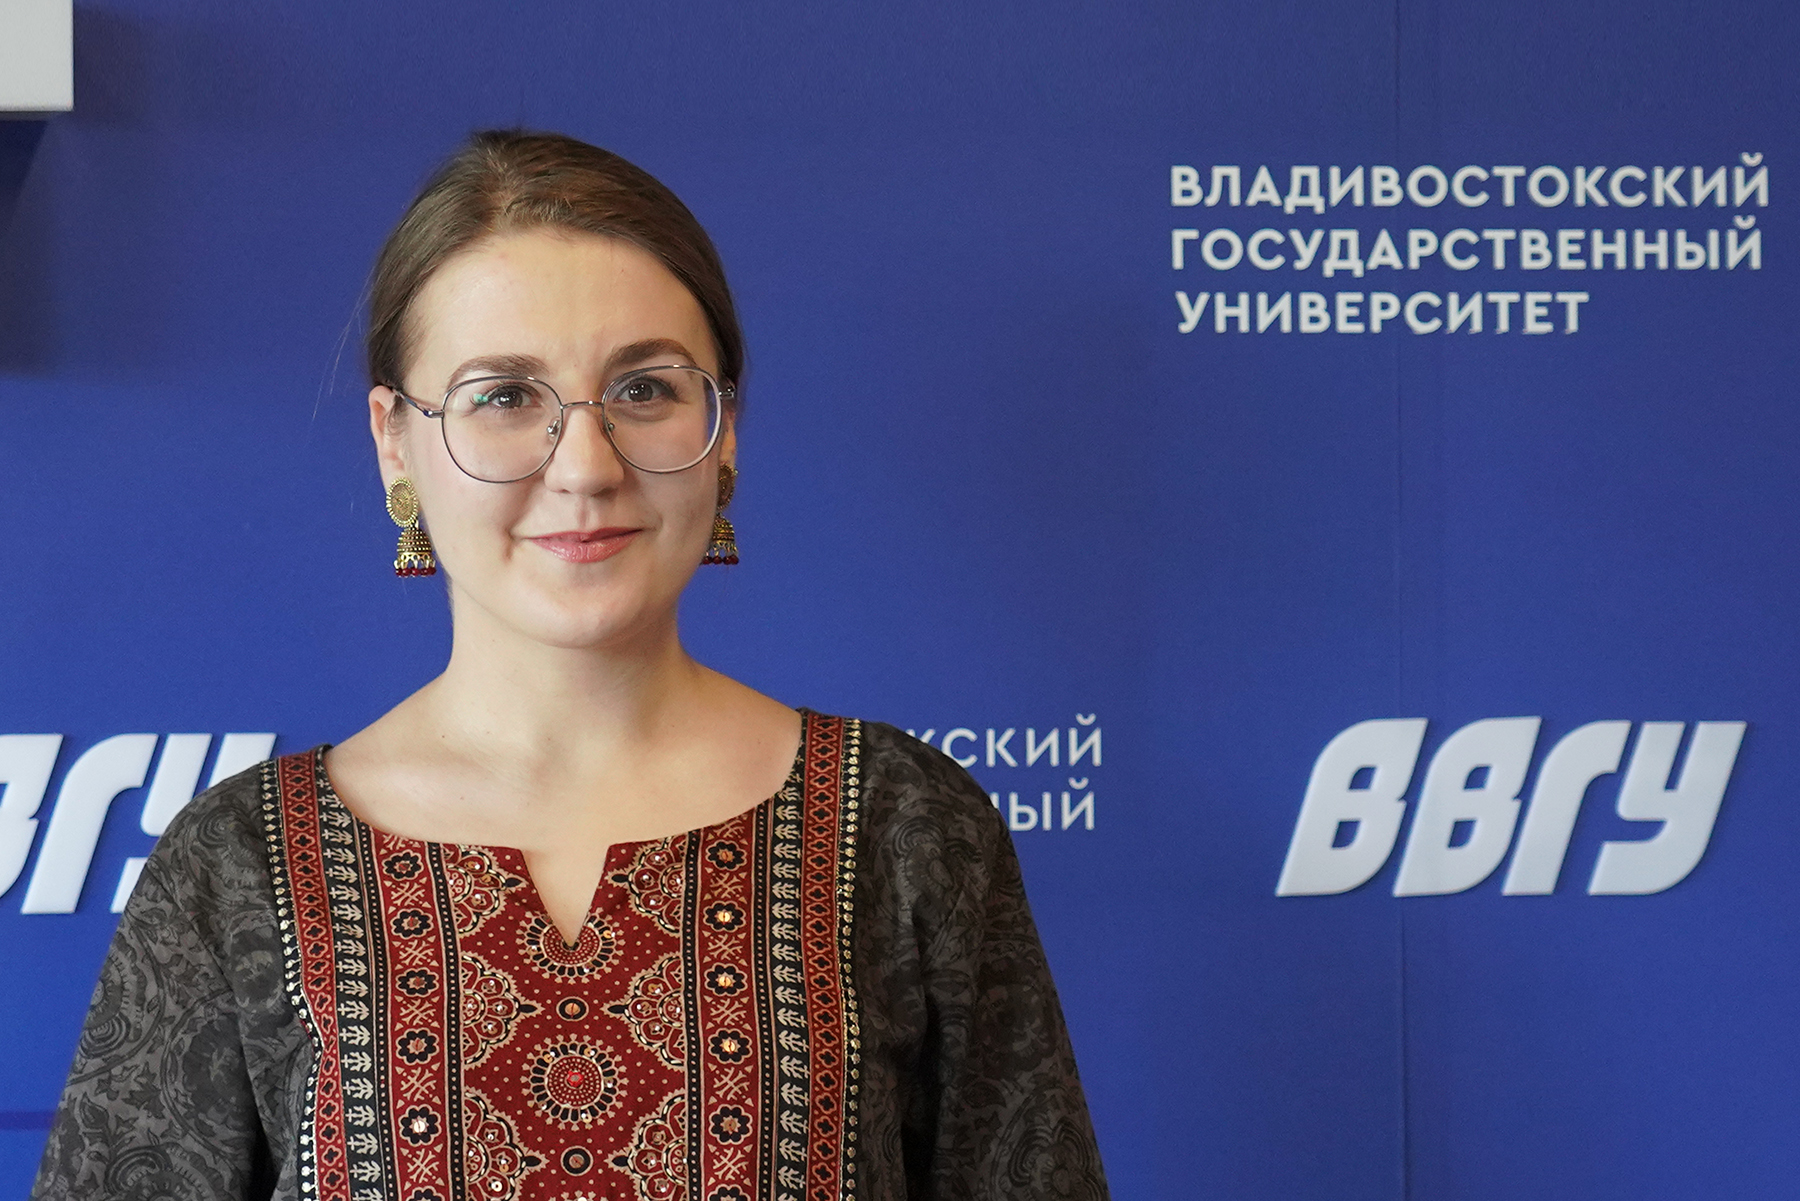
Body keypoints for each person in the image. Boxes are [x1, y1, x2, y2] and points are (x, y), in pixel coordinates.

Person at [33, 130, 1108, 1201]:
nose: (586, 467)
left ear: (725, 428)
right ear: (394, 441)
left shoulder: (903, 829)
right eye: (505, 396)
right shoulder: (237, 867)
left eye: (645, 388)